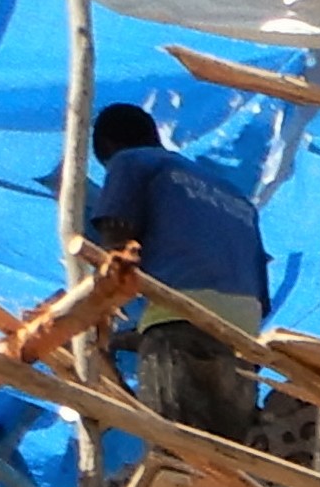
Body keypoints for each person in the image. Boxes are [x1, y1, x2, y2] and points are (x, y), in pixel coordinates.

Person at [84, 105, 271, 433]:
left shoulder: (131, 162)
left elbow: (116, 248)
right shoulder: (232, 194)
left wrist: (91, 317)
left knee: (180, 450)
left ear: (109, 148)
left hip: (180, 314)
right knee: (230, 449)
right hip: (246, 324)